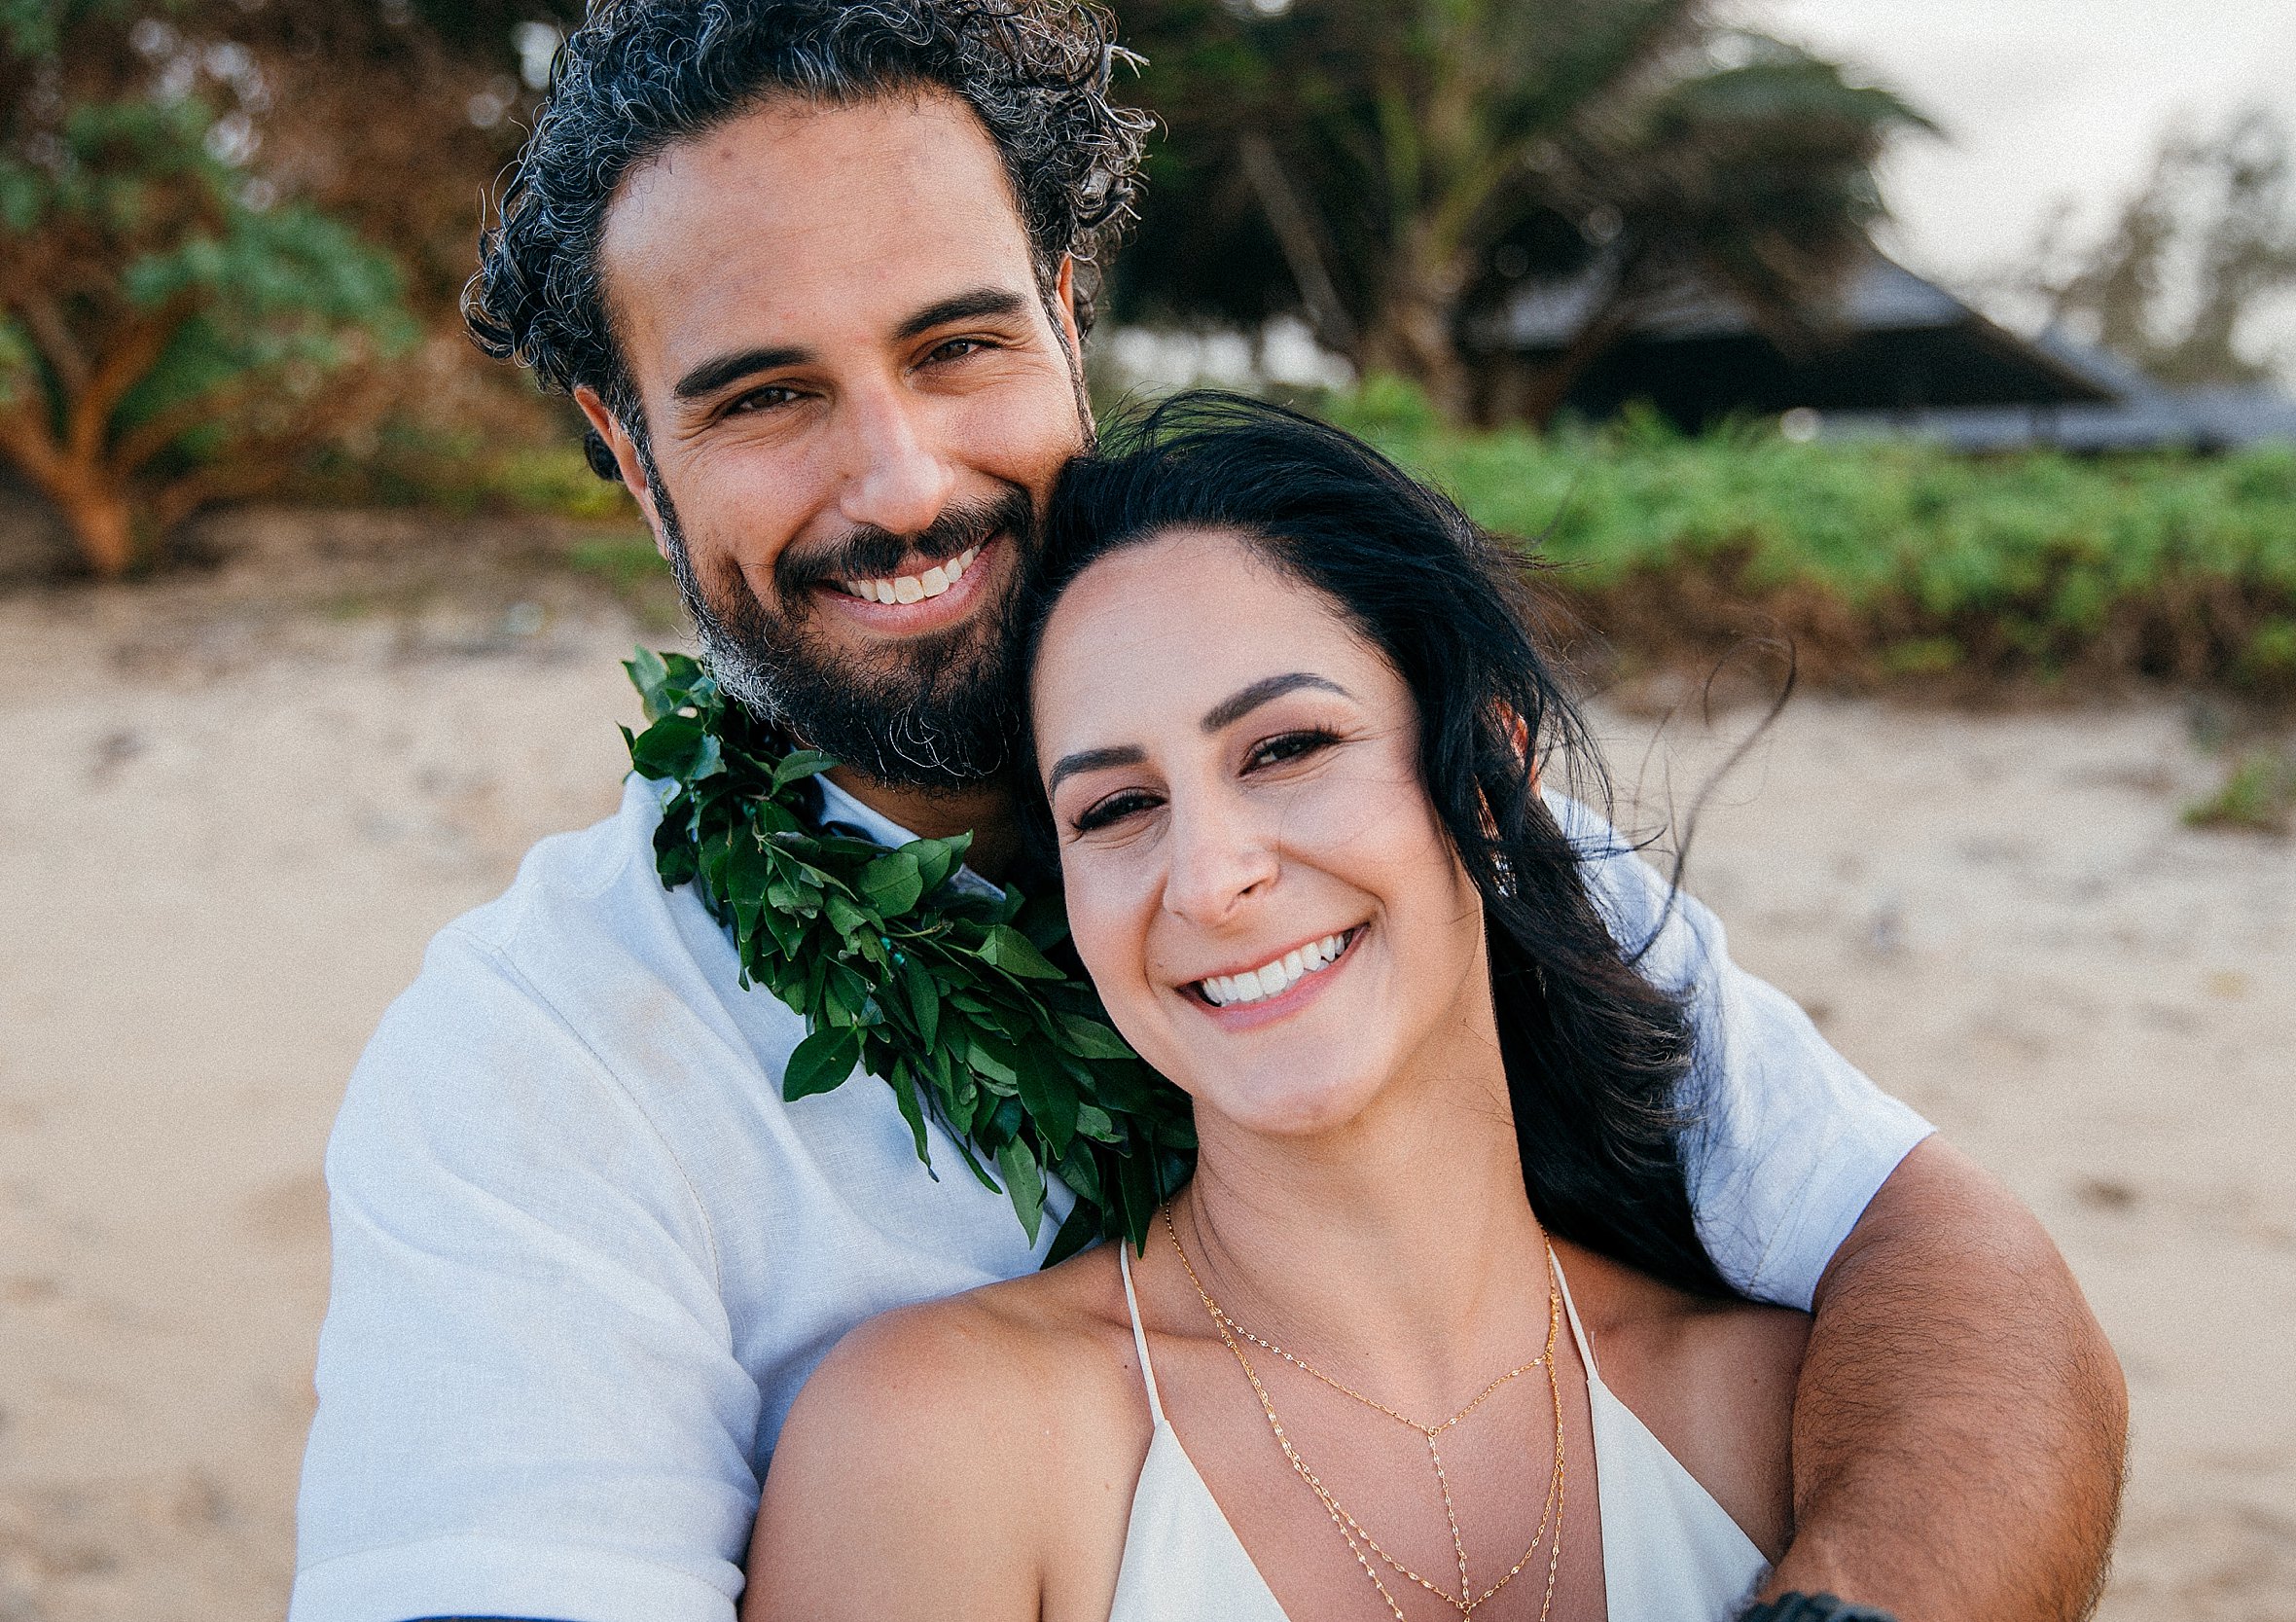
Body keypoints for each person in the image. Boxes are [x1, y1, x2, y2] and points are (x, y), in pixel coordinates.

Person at [289, 3, 2125, 1620]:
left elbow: (1948, 1271)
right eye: (766, 396)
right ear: (625, 444)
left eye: (958, 347)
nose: (904, 479)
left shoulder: (1449, 849)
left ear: (1067, 313)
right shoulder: (537, 1068)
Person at [743, 394, 1823, 1622]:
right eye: (1114, 808)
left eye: (1285, 746)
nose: (1209, 880)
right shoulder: (943, 1444)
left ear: (1487, 772)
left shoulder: (1776, 1412)